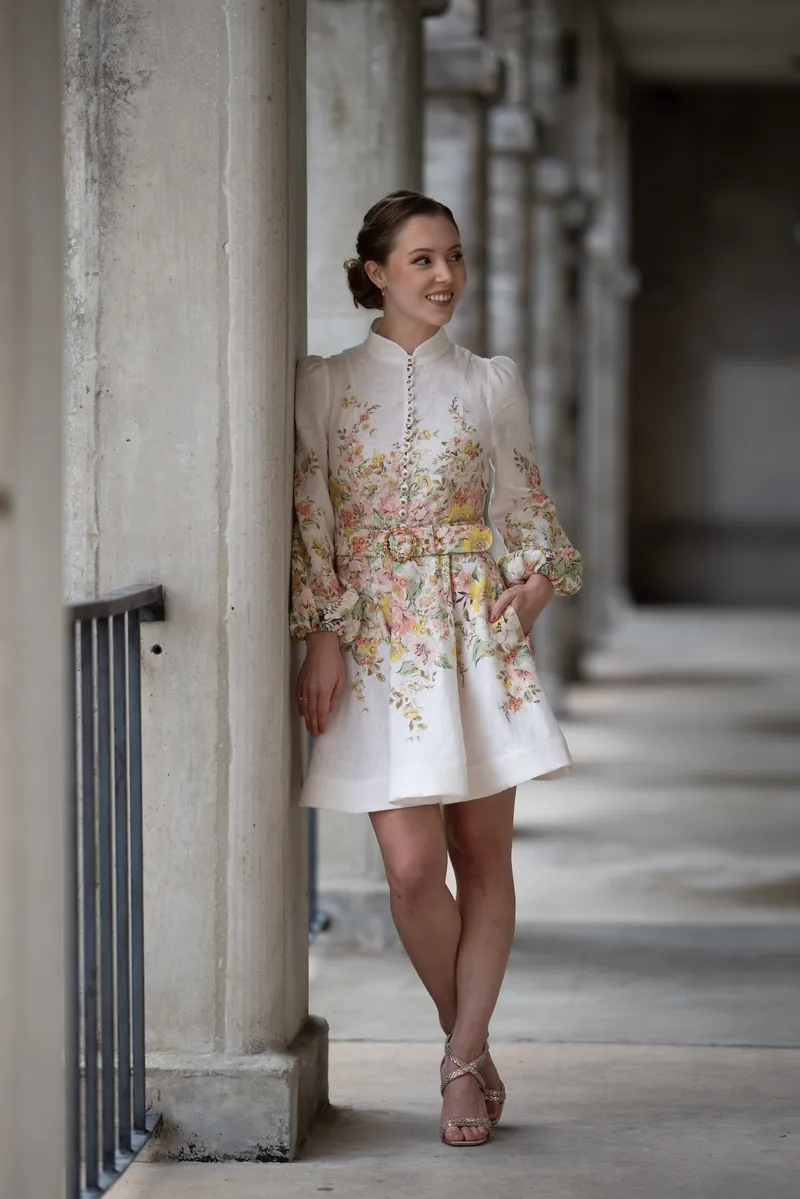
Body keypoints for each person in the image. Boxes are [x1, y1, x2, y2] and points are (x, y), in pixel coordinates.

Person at [290, 190, 582, 1147]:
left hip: (473, 638)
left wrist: (536, 586)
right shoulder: (323, 383)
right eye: (422, 259)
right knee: (413, 872)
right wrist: (321, 632)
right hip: (374, 639)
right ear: (376, 273)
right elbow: (312, 518)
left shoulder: (490, 382)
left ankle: (459, 1061)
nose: (445, 275)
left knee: (482, 857)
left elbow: (528, 508)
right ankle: (472, 1041)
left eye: (453, 256)